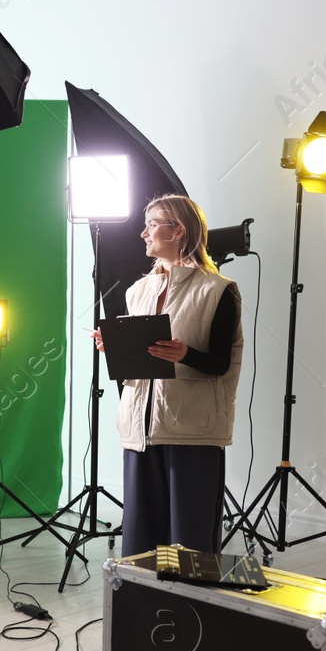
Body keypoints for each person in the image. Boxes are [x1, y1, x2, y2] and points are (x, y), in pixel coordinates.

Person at [94, 194, 244, 558]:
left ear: (178, 230)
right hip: (140, 432)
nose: (143, 233)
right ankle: (145, 613)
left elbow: (221, 364)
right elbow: (142, 364)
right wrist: (114, 346)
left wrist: (185, 354)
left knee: (188, 547)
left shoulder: (218, 290)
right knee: (142, 545)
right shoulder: (137, 290)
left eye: (153, 224)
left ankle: (192, 613)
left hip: (191, 432)